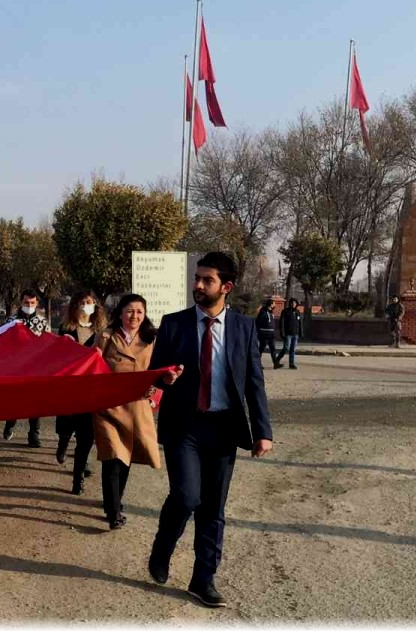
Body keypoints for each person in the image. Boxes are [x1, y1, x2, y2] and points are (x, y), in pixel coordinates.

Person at [147, 252, 273, 608]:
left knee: (213, 509)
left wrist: (263, 431)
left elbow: (253, 382)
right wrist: (164, 379)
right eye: (196, 278)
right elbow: (157, 373)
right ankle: (163, 546)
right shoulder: (174, 324)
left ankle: (203, 579)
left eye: (207, 280)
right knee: (187, 497)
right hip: (184, 427)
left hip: (223, 428)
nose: (198, 285)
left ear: (226, 287)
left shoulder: (244, 328)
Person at [95, 293, 162, 529]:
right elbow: (92, 368)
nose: (134, 316)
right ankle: (113, 512)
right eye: (130, 311)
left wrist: (154, 392)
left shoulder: (152, 339)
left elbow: (160, 371)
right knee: (112, 457)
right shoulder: (105, 337)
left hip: (137, 407)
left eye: (139, 312)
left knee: (126, 459)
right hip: (108, 408)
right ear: (121, 313)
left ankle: (115, 500)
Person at [54, 290, 105, 492]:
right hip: (70, 386)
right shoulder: (66, 327)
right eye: (83, 301)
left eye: (90, 301)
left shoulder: (101, 330)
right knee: (66, 425)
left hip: (91, 388)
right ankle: (63, 443)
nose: (86, 305)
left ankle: (78, 478)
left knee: (86, 435)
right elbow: (57, 356)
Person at [4, 291, 48, 448]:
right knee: (14, 400)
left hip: (36, 369)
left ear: (36, 304)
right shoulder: (12, 321)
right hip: (15, 369)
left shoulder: (43, 322)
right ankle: (10, 422)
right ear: (21, 302)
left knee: (35, 403)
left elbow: (48, 344)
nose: (29, 306)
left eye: (32, 303)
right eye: (26, 302)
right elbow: (4, 342)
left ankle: (34, 434)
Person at [275, 298, 302, 370]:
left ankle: (291, 364)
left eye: (295, 303)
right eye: (292, 303)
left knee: (292, 349)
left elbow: (300, 323)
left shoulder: (297, 312)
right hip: (288, 334)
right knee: (286, 348)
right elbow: (282, 322)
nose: (293, 304)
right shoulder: (285, 311)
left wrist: (301, 332)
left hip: (295, 334)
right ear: (290, 304)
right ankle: (277, 359)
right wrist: (282, 332)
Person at [254, 298, 280, 368]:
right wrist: (258, 331)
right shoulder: (263, 312)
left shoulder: (271, 312)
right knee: (261, 349)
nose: (275, 305)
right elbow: (258, 322)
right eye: (274, 303)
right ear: (270, 304)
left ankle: (276, 363)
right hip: (264, 333)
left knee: (273, 348)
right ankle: (257, 363)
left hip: (271, 333)